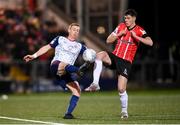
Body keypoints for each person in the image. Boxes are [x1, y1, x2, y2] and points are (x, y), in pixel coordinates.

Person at [85, 9, 153, 119]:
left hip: (126, 62)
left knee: (121, 89)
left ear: (134, 19)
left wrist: (136, 37)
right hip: (115, 57)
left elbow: (150, 42)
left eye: (128, 18)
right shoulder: (121, 27)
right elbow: (108, 40)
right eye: (125, 18)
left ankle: (124, 111)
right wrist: (119, 34)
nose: (126, 20)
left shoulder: (140, 30)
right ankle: (96, 83)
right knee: (100, 55)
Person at [23, 23, 90, 119]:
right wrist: (34, 56)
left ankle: (68, 114)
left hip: (65, 72)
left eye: (77, 30)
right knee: (63, 63)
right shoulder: (60, 39)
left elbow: (90, 55)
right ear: (69, 30)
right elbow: (47, 47)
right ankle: (78, 70)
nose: (76, 32)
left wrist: (96, 58)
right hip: (56, 65)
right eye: (74, 29)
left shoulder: (80, 46)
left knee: (77, 90)